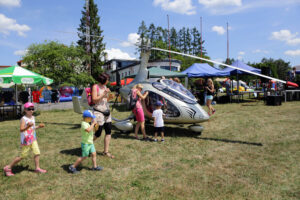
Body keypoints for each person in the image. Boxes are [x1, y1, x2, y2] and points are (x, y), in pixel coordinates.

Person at [3, 102, 46, 176]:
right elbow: (21, 129)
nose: (31, 111)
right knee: (22, 156)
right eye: (29, 109)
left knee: (37, 152)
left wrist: (39, 126)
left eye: (33, 109)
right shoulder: (24, 119)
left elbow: (32, 128)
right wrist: (28, 126)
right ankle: (8, 167)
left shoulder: (33, 117)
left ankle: (37, 168)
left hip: (33, 139)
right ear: (25, 110)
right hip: (26, 140)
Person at [92, 73, 114, 158]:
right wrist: (104, 93)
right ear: (103, 79)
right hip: (98, 112)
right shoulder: (95, 87)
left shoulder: (105, 87)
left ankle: (106, 151)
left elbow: (105, 99)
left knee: (108, 132)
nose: (108, 81)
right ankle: (87, 144)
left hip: (106, 111)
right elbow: (94, 100)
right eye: (107, 79)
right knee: (98, 133)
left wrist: (109, 97)